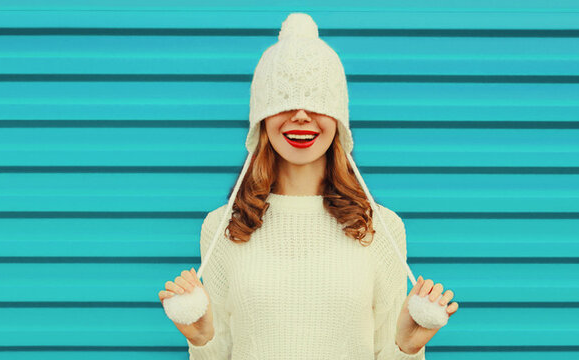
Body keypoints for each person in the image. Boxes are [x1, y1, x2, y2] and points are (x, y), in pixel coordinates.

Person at [158, 13, 458, 359]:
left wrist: (407, 348)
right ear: (262, 119)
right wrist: (201, 341)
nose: (301, 115)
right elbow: (219, 351)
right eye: (284, 99)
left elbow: (388, 351)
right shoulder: (224, 227)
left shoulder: (381, 227)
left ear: (338, 120)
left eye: (316, 101)